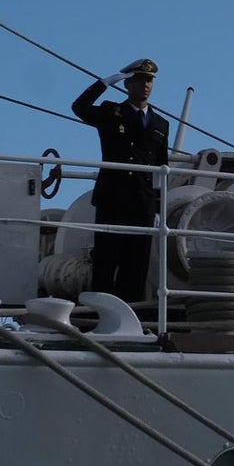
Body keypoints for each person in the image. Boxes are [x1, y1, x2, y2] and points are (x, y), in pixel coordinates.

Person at [71, 58, 170, 303]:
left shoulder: (161, 124)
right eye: (139, 79)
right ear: (127, 84)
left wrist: (157, 206)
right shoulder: (111, 112)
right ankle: (98, 317)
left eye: (149, 80)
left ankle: (130, 321)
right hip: (113, 199)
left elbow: (161, 168)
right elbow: (79, 106)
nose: (145, 85)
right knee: (105, 263)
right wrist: (106, 82)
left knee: (136, 267)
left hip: (142, 203)